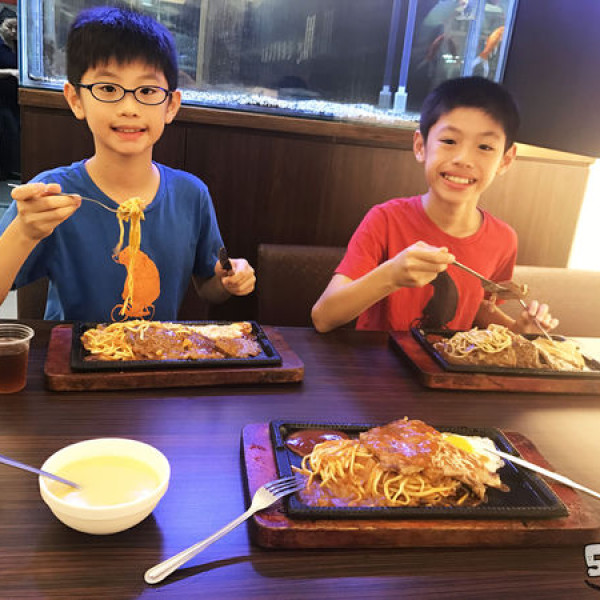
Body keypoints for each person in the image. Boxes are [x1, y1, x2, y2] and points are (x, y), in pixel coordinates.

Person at [0, 6, 255, 321]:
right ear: (76, 99)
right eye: (108, 89)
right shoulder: (52, 193)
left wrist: (229, 280)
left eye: (147, 90)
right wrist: (23, 232)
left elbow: (208, 288)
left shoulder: (191, 195)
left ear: (170, 105)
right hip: (74, 350)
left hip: (157, 347)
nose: (129, 107)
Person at [311, 76, 558, 334]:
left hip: (450, 361)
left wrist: (520, 331)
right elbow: (324, 317)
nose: (463, 159)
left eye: (485, 147)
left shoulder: (503, 239)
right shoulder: (385, 220)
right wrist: (391, 275)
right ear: (421, 146)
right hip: (378, 359)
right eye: (449, 141)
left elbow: (476, 307)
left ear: (505, 160)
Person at [0, 6, 19, 180]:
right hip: (2, 99)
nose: (13, 31)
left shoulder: (18, 46)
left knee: (14, 133)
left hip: (15, 98)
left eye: (16, 28)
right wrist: (10, 72)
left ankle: (10, 169)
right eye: (9, 27)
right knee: (8, 132)